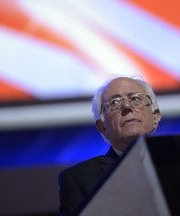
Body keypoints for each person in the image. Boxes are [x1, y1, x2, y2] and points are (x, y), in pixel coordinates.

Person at [58, 75, 161, 215]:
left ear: (155, 117)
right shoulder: (78, 180)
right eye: (114, 103)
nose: (126, 106)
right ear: (102, 127)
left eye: (136, 99)